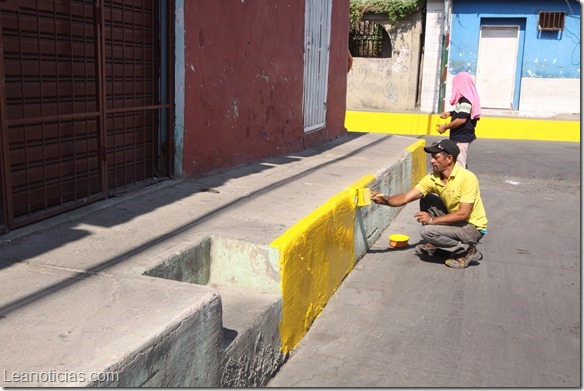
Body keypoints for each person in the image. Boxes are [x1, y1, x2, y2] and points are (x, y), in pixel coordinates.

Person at [371, 139, 487, 269]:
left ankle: (466, 250)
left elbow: (463, 214)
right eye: (432, 157)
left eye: (436, 157)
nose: (432, 161)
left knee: (427, 231)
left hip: (472, 228)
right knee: (428, 199)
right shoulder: (433, 178)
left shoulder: (466, 178)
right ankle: (441, 244)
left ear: (449, 159)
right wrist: (383, 200)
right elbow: (404, 198)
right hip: (456, 221)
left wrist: (431, 220)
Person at [437, 72, 481, 168]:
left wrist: (445, 127)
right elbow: (462, 112)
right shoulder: (466, 99)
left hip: (461, 138)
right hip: (460, 137)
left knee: (459, 166)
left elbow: (461, 119)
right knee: (457, 163)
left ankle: (461, 183)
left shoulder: (465, 101)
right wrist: (450, 113)